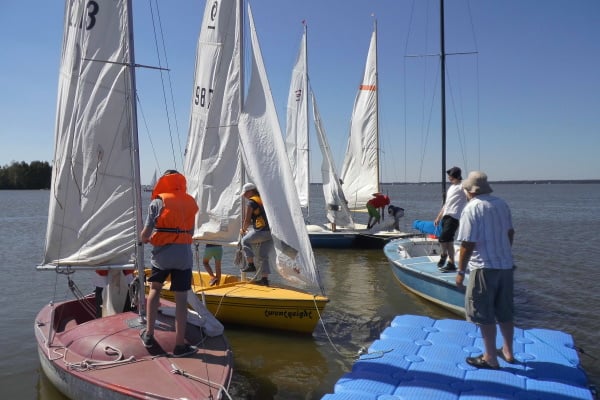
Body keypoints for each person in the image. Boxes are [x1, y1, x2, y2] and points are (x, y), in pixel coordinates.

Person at [455, 171, 515, 369]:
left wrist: (460, 271)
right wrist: (504, 253)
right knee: (505, 311)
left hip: (483, 268)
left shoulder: (471, 208)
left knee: (483, 313)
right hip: (505, 266)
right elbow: (510, 233)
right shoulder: (501, 204)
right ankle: (508, 351)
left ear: (469, 191)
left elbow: (467, 244)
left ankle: (490, 357)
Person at [139, 170, 199, 358]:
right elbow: (190, 231)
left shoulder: (157, 202)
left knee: (155, 289)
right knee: (181, 300)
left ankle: (149, 335)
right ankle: (180, 345)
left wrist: (144, 239)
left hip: (162, 257)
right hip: (183, 256)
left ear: (163, 182)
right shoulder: (190, 201)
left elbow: (145, 234)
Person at [434, 166, 467, 272]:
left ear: (456, 176)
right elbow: (446, 204)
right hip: (445, 216)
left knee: (443, 238)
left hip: (454, 217)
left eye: (451, 175)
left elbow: (469, 195)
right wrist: (438, 217)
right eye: (449, 176)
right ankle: (451, 263)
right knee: (449, 242)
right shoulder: (452, 187)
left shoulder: (462, 185)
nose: (449, 177)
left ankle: (444, 254)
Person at [239, 182, 271, 286]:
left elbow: (247, 220)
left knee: (244, 241)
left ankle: (250, 264)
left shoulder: (251, 202)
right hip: (270, 232)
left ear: (251, 191)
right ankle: (264, 280)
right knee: (263, 256)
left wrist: (243, 230)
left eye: (245, 193)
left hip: (261, 231)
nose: (244, 195)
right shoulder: (263, 199)